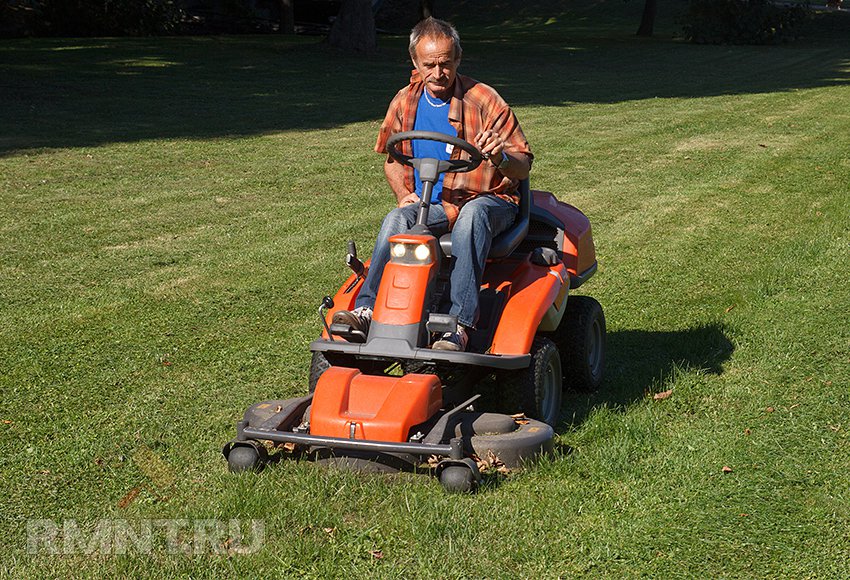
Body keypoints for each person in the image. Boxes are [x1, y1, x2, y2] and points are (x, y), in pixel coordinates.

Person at [333, 17, 532, 352]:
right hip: (434, 204)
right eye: (430, 65)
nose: (438, 73)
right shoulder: (404, 102)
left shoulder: (484, 100)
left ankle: (459, 325)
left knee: (473, 214)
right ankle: (367, 309)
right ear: (415, 62)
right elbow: (392, 161)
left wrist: (499, 157)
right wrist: (403, 194)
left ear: (457, 59)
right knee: (397, 220)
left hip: (488, 200)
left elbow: (523, 166)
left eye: (445, 63)